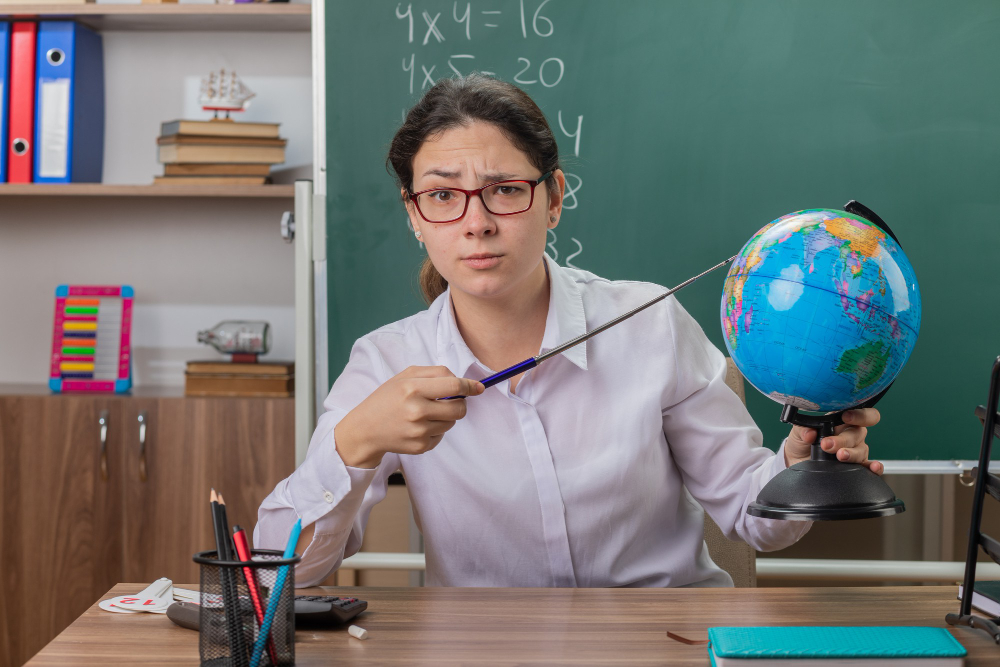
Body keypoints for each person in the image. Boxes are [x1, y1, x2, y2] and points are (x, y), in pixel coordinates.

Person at [254, 74, 883, 588]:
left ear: (553, 197)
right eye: (442, 197)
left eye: (504, 190)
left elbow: (757, 520)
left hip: (662, 645)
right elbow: (285, 574)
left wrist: (800, 462)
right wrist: (353, 443)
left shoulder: (649, 322)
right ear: (415, 216)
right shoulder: (387, 359)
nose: (475, 222)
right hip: (485, 651)